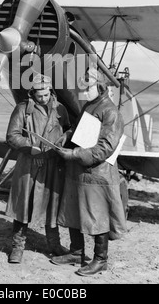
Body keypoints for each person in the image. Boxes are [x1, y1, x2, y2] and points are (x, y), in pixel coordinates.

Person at [50, 66, 127, 276]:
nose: (83, 93)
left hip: (97, 175)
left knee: (97, 215)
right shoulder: (90, 106)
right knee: (74, 210)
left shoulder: (111, 112)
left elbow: (105, 148)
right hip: (80, 171)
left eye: (87, 88)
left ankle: (100, 259)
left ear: (100, 86)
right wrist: (67, 136)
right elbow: (81, 129)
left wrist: (73, 155)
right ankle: (76, 253)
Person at [5, 73, 71, 264]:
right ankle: (17, 247)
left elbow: (67, 128)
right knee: (23, 206)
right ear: (32, 92)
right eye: (39, 95)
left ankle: (54, 244)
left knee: (52, 205)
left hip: (52, 164)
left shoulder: (60, 109)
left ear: (51, 91)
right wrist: (29, 147)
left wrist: (65, 136)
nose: (43, 98)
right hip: (29, 164)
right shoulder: (22, 109)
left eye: (46, 94)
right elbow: (11, 135)